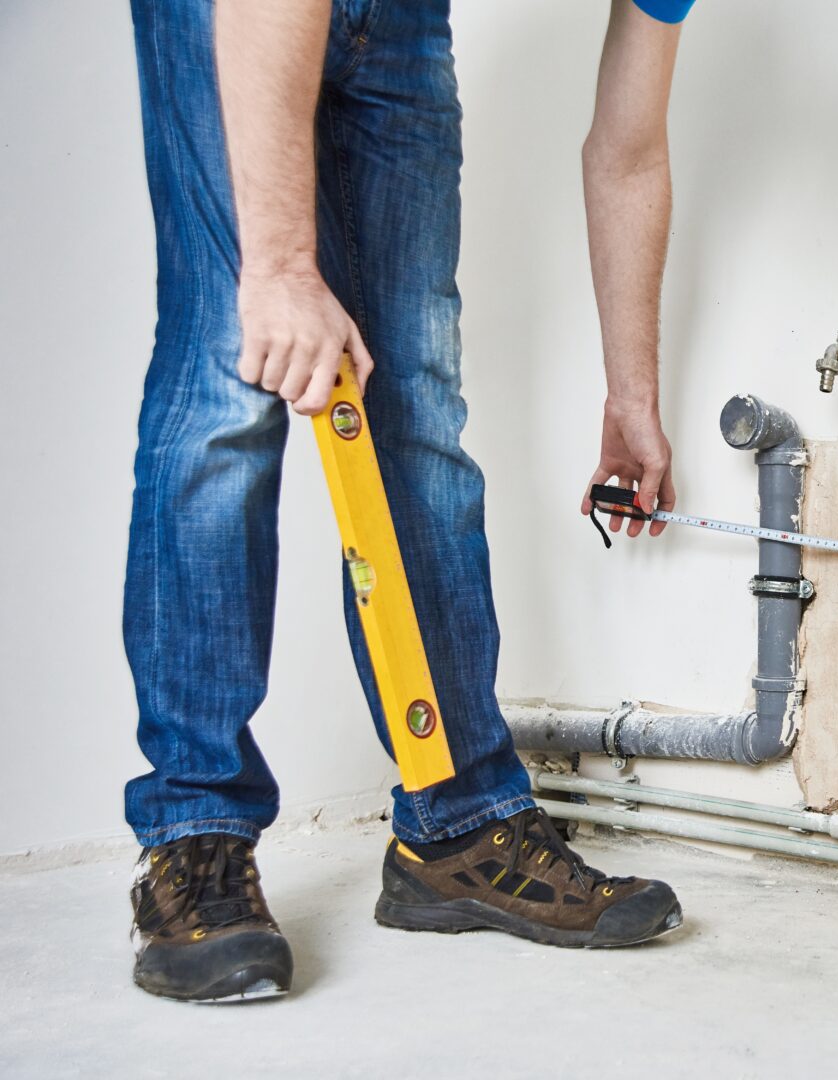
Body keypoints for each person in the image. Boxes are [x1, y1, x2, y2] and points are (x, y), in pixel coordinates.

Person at [123, 0, 690, 1002]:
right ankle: (194, 832)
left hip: (402, 22)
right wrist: (285, 266)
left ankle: (459, 824)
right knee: (231, 374)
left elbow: (630, 148)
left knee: (417, 403)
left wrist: (631, 397)